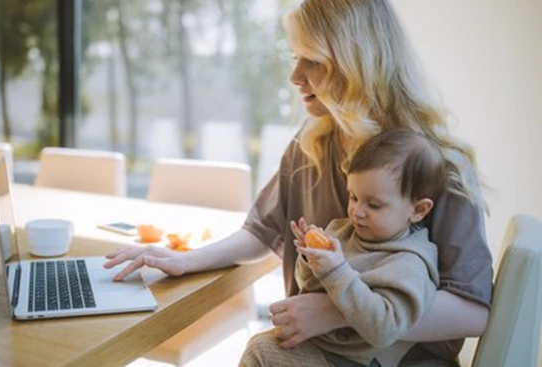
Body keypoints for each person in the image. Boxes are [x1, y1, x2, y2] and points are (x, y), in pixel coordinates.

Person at [104, 0, 493, 365]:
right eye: (294, 58)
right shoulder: (311, 144)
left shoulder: (439, 165)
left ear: (356, 64)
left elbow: (472, 311)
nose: (294, 76)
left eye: (313, 61)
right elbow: (261, 230)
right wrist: (185, 260)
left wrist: (337, 311)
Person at [240, 128, 445, 367]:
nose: (357, 212)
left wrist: (336, 271)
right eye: (353, 197)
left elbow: (385, 329)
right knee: (264, 343)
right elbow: (309, 287)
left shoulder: (409, 263)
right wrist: (310, 259)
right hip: (320, 348)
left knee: (261, 351)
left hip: (354, 362)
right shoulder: (343, 231)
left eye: (374, 204)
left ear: (418, 210)